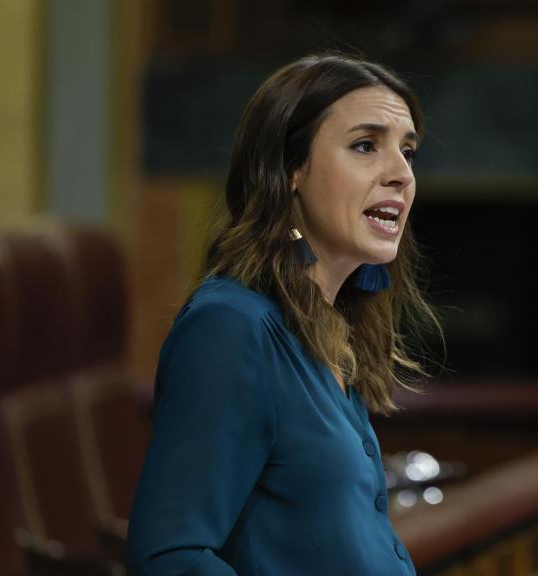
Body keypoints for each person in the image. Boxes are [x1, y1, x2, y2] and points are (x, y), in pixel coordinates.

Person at [126, 53, 441, 575]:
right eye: (366, 145)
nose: (401, 175)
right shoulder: (232, 327)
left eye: (408, 152)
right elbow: (169, 557)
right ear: (289, 169)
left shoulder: (330, 329)